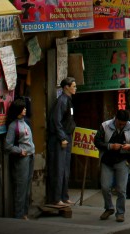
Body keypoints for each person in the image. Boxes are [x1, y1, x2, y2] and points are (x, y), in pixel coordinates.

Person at [93, 108, 130, 223]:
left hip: (123, 161)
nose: (121, 126)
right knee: (105, 186)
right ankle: (109, 208)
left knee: (121, 189)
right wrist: (110, 146)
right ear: (116, 119)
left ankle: (120, 213)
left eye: (124, 124)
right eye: (120, 123)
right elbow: (97, 141)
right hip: (107, 161)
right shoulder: (105, 126)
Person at [46, 77, 77, 207]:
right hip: (60, 139)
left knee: (65, 168)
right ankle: (56, 197)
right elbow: (55, 121)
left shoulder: (69, 101)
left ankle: (64, 196)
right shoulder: (62, 101)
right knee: (58, 168)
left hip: (67, 136)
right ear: (66, 87)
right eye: (73, 86)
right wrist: (62, 137)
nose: (75, 88)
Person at [3, 98, 34, 220]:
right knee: (20, 187)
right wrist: (20, 151)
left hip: (30, 155)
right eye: (23, 108)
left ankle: (24, 213)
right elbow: (7, 146)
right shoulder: (13, 126)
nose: (25, 109)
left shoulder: (26, 122)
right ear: (18, 110)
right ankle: (18, 214)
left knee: (27, 187)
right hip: (22, 158)